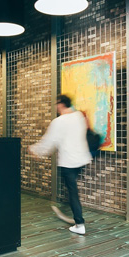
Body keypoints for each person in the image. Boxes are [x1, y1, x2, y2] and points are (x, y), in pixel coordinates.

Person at [29, 94, 92, 235]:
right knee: (72, 189)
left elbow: (49, 142)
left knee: (72, 191)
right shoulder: (79, 117)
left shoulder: (59, 122)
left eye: (56, 104)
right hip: (81, 159)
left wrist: (35, 150)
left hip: (68, 162)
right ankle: (74, 214)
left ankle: (79, 223)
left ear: (60, 104)